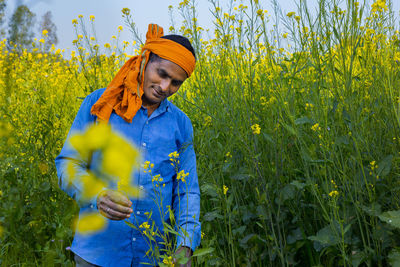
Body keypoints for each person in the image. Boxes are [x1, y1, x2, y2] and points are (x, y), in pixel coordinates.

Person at [55, 24, 201, 267]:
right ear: (145, 61)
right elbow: (67, 165)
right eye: (162, 74)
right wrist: (97, 195)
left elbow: (187, 191)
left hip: (154, 256)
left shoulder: (180, 124)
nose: (166, 87)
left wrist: (185, 243)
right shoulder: (100, 103)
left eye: (176, 83)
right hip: (98, 254)